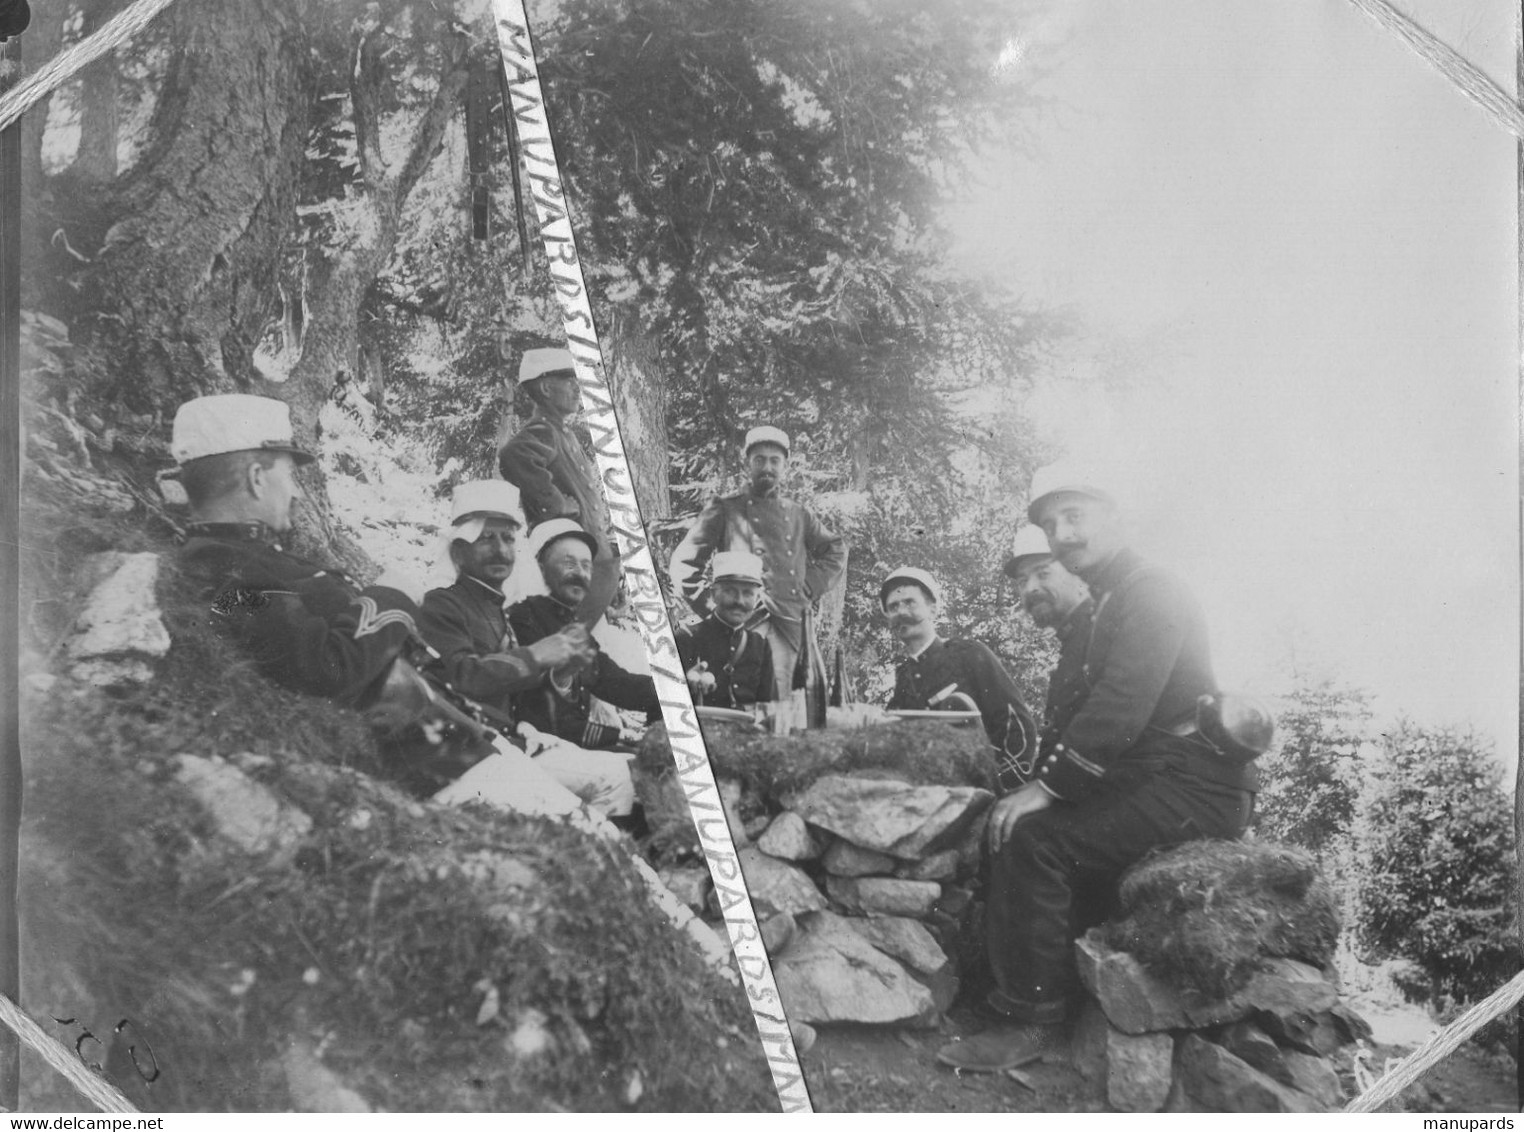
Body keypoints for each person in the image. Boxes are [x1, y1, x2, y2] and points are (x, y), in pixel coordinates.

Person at [937, 467, 1259, 1074]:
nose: (1062, 535)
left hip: (1195, 782)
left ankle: (1026, 1022)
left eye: (1075, 517)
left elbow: (1124, 702)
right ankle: (1025, 992)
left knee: (1036, 838)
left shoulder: (1151, 588)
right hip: (1158, 776)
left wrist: (1049, 789)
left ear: (1114, 517)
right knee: (1023, 823)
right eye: (1050, 525)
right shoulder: (1110, 598)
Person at [172, 397, 581, 811]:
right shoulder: (224, 573)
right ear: (258, 479)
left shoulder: (242, 559)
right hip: (432, 762)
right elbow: (328, 665)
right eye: (290, 476)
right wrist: (391, 594)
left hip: (452, 740)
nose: (296, 493)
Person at [416, 486, 638, 815]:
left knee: (626, 771)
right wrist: (535, 656)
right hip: (469, 749)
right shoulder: (442, 604)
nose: (500, 550)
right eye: (487, 538)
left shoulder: (498, 612)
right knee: (612, 779)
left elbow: (523, 698)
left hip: (515, 740)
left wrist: (560, 675)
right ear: (460, 552)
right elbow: (461, 677)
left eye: (507, 539)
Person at [669, 425, 846, 706]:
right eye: (759, 459)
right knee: (741, 701)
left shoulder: (799, 514)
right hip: (746, 625)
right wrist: (715, 607)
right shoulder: (727, 508)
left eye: (775, 461)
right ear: (747, 463)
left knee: (787, 706)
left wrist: (808, 585)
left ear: (785, 466)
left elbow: (835, 549)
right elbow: (684, 564)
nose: (767, 467)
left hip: (790, 624)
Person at [505, 518, 660, 749]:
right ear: (539, 567)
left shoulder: (569, 623)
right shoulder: (522, 619)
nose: (580, 573)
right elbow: (542, 716)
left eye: (586, 566)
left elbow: (614, 682)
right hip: (537, 748)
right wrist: (618, 736)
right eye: (569, 564)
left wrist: (670, 690)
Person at [880, 566, 1038, 793]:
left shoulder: (969, 653)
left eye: (910, 602)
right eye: (893, 607)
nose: (901, 611)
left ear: (933, 610)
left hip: (984, 793)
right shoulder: (904, 676)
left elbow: (1018, 724)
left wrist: (1001, 788)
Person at [497, 346, 608, 541]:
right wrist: (557, 505)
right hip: (567, 550)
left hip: (587, 551)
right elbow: (513, 454)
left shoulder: (561, 432)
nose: (577, 389)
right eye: (569, 382)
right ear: (546, 389)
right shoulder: (545, 430)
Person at [673, 551, 776, 709]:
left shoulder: (761, 646)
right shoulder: (686, 638)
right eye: (730, 591)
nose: (739, 601)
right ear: (714, 595)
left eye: (748, 593)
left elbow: (767, 706)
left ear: (756, 599)